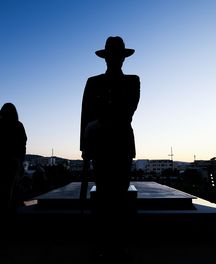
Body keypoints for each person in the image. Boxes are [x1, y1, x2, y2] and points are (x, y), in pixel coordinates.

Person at [80, 37, 140, 255]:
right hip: (99, 144)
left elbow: (127, 111)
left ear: (123, 58)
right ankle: (103, 239)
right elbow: (85, 115)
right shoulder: (93, 82)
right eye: (112, 55)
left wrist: (99, 122)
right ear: (105, 58)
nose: (115, 60)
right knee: (104, 192)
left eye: (118, 55)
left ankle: (119, 240)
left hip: (121, 142)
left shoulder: (133, 81)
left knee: (120, 192)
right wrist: (84, 146)